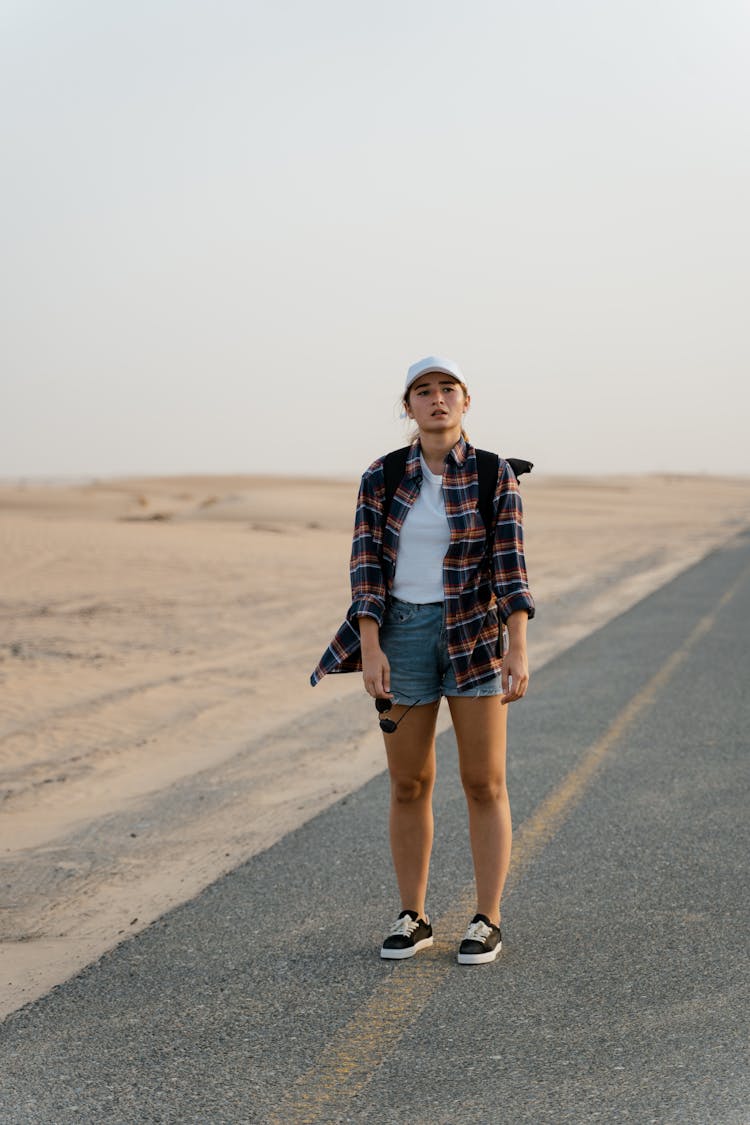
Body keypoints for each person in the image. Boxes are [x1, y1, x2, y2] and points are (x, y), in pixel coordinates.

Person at [311, 356, 535, 965]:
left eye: (447, 390)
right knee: (409, 782)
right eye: (423, 391)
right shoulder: (380, 477)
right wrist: (371, 644)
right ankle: (414, 915)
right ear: (408, 407)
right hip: (402, 634)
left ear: (466, 401)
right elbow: (364, 568)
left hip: (473, 634)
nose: (437, 399)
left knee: (483, 781)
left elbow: (510, 568)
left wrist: (517, 643)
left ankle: (487, 918)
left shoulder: (494, 475)